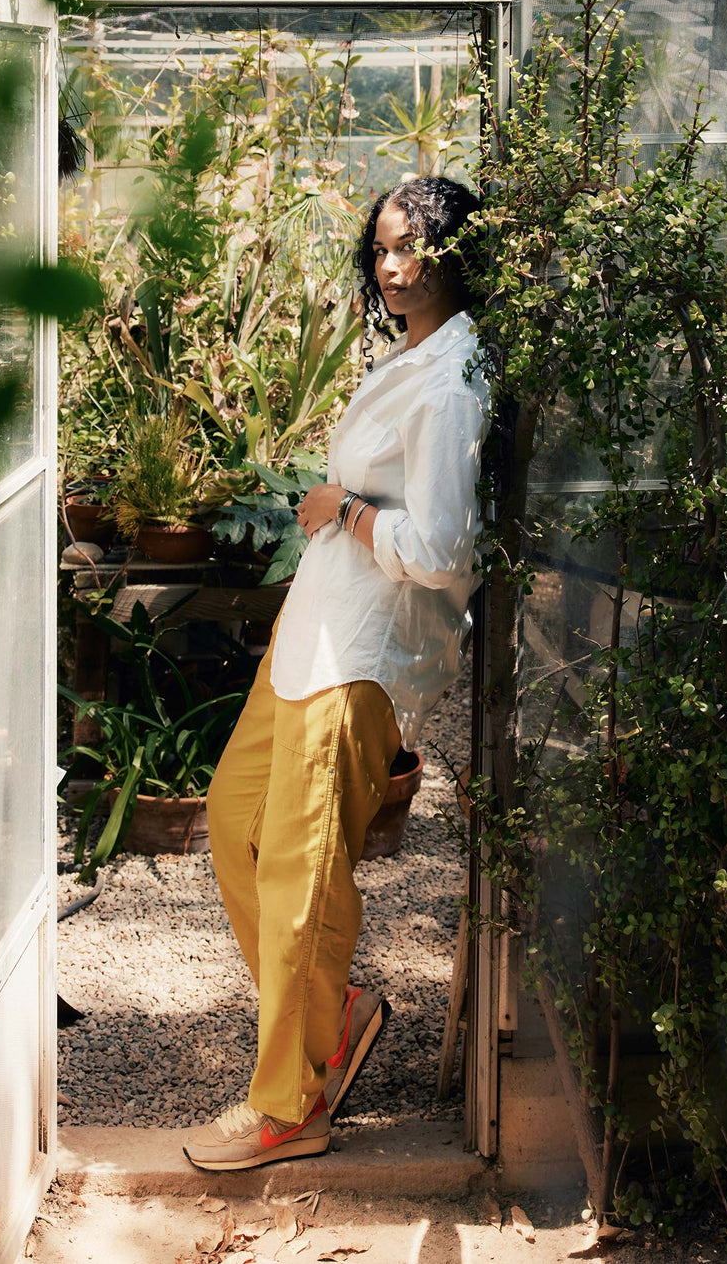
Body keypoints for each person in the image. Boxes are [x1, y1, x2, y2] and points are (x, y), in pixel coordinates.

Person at [183, 175, 491, 1172]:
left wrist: (347, 511)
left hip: (359, 650)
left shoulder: (453, 380)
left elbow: (447, 548)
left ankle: (289, 1110)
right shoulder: (414, 355)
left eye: (411, 248)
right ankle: (337, 1009)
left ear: (452, 249)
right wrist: (343, 510)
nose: (392, 269)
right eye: (381, 250)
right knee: (236, 825)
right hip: (311, 632)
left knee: (303, 879)